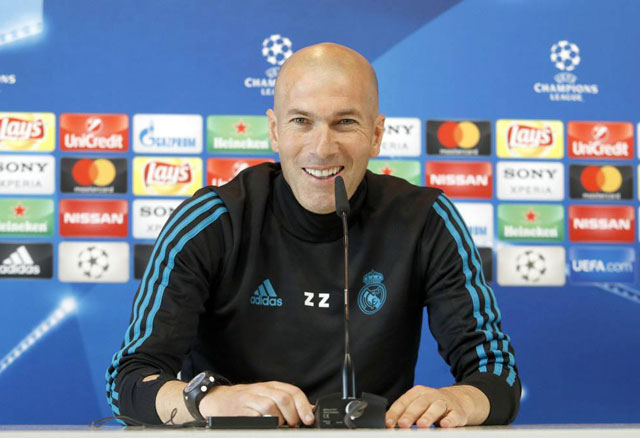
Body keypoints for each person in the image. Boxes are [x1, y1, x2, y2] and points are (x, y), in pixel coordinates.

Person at [105, 42, 520, 428]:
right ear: (274, 130)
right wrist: (211, 401)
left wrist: (463, 400)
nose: (322, 148)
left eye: (345, 122)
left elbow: (496, 372)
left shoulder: (426, 220)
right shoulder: (213, 220)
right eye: (301, 121)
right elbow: (129, 379)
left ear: (376, 135)